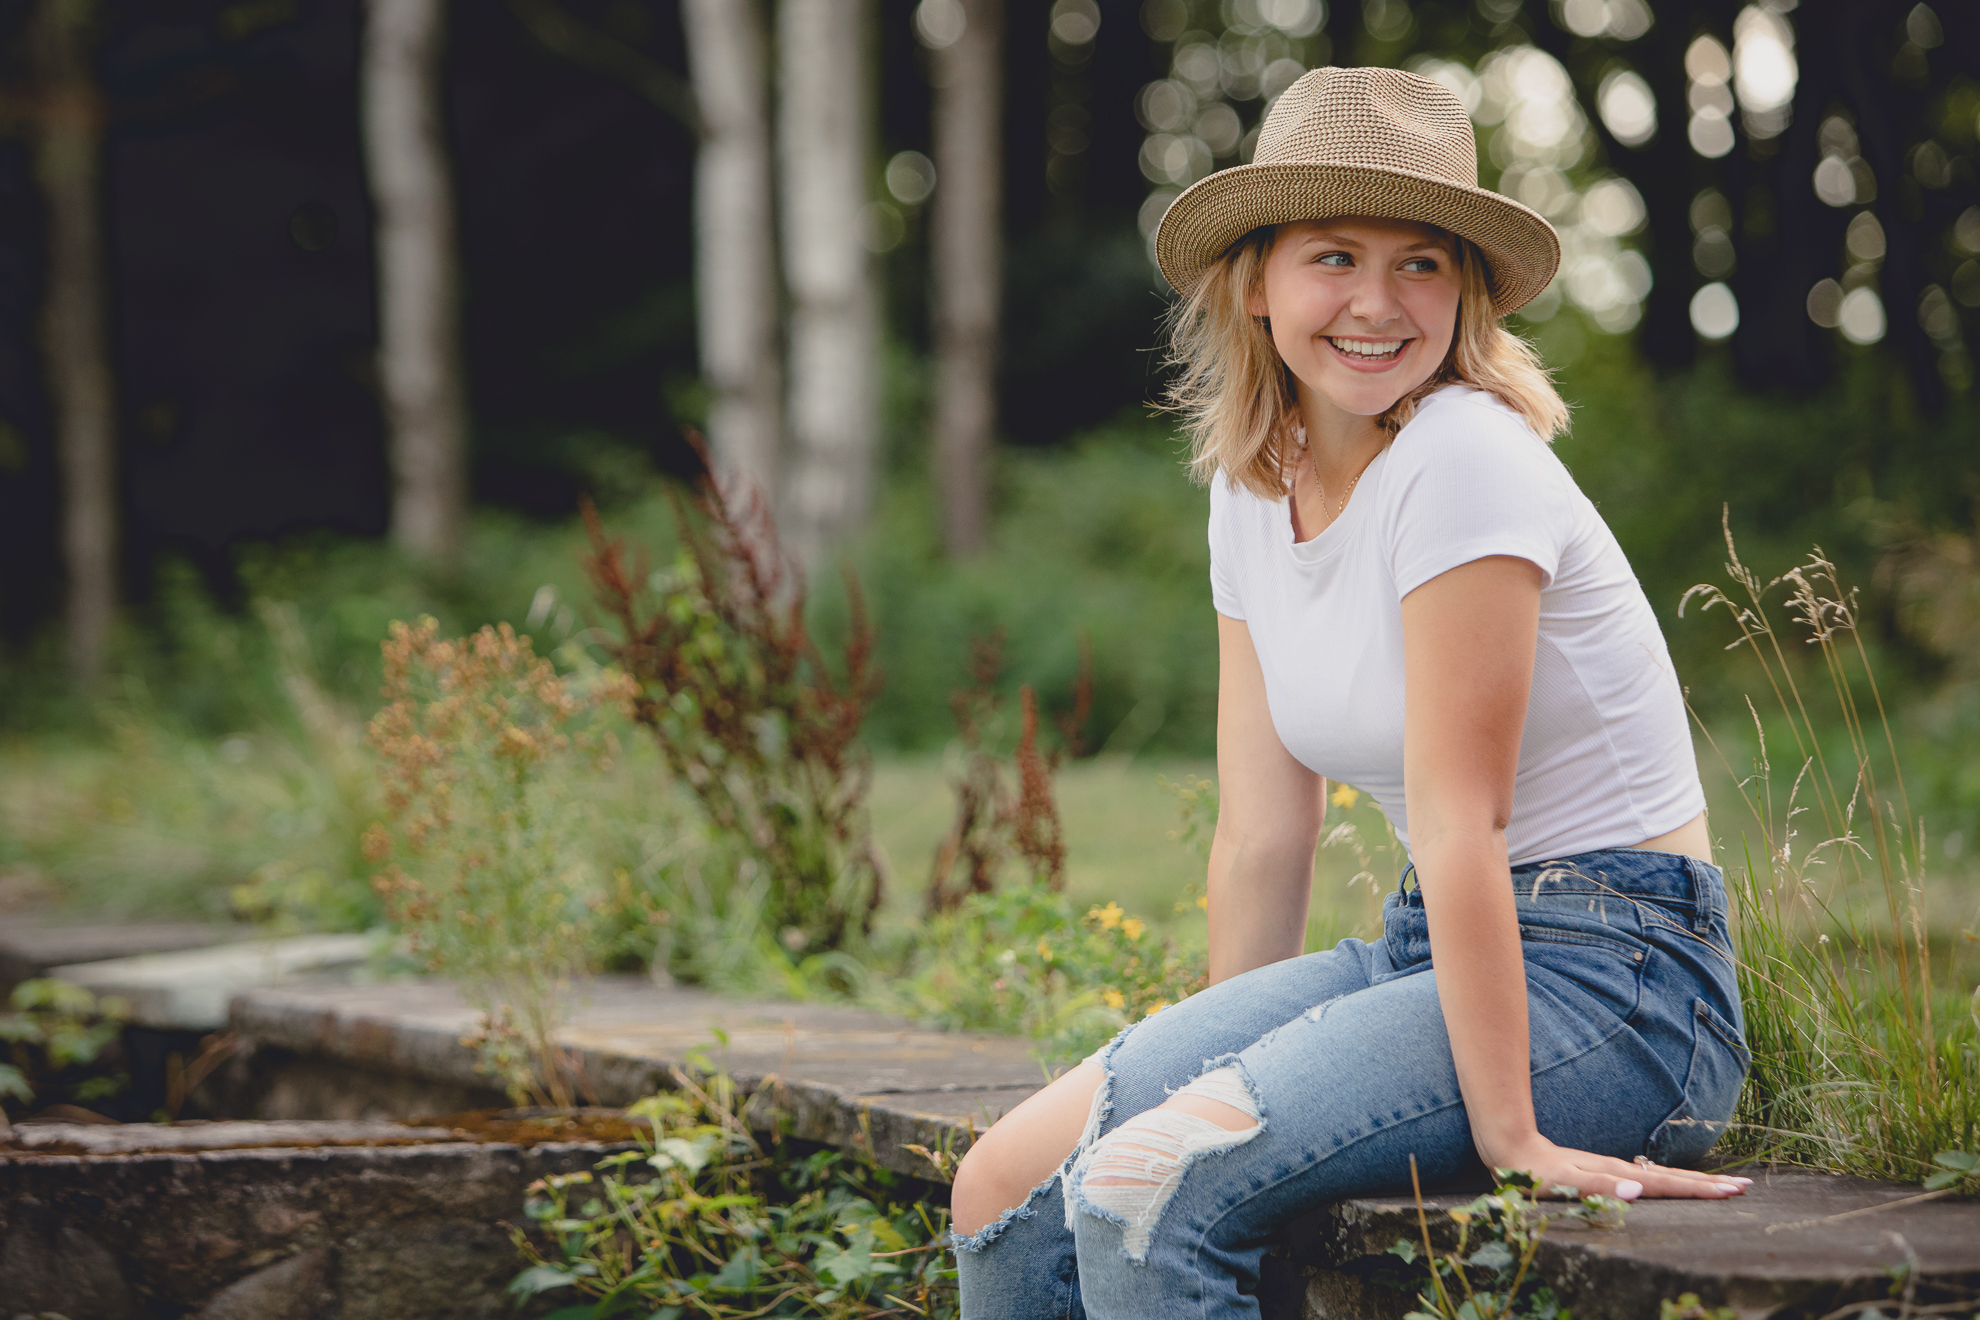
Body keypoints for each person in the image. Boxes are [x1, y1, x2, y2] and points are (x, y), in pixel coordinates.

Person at [945, 66, 1752, 1319]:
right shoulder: (1250, 486)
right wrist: (1228, 1065)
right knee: (1005, 1187)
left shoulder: (1466, 460)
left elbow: (1464, 823)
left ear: (1466, 293)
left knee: (1144, 1186)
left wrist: (1512, 1135)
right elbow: (1265, 830)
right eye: (1334, 256)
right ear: (1257, 283)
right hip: (1429, 953)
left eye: (1422, 263)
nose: (1378, 304)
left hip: (1622, 985)